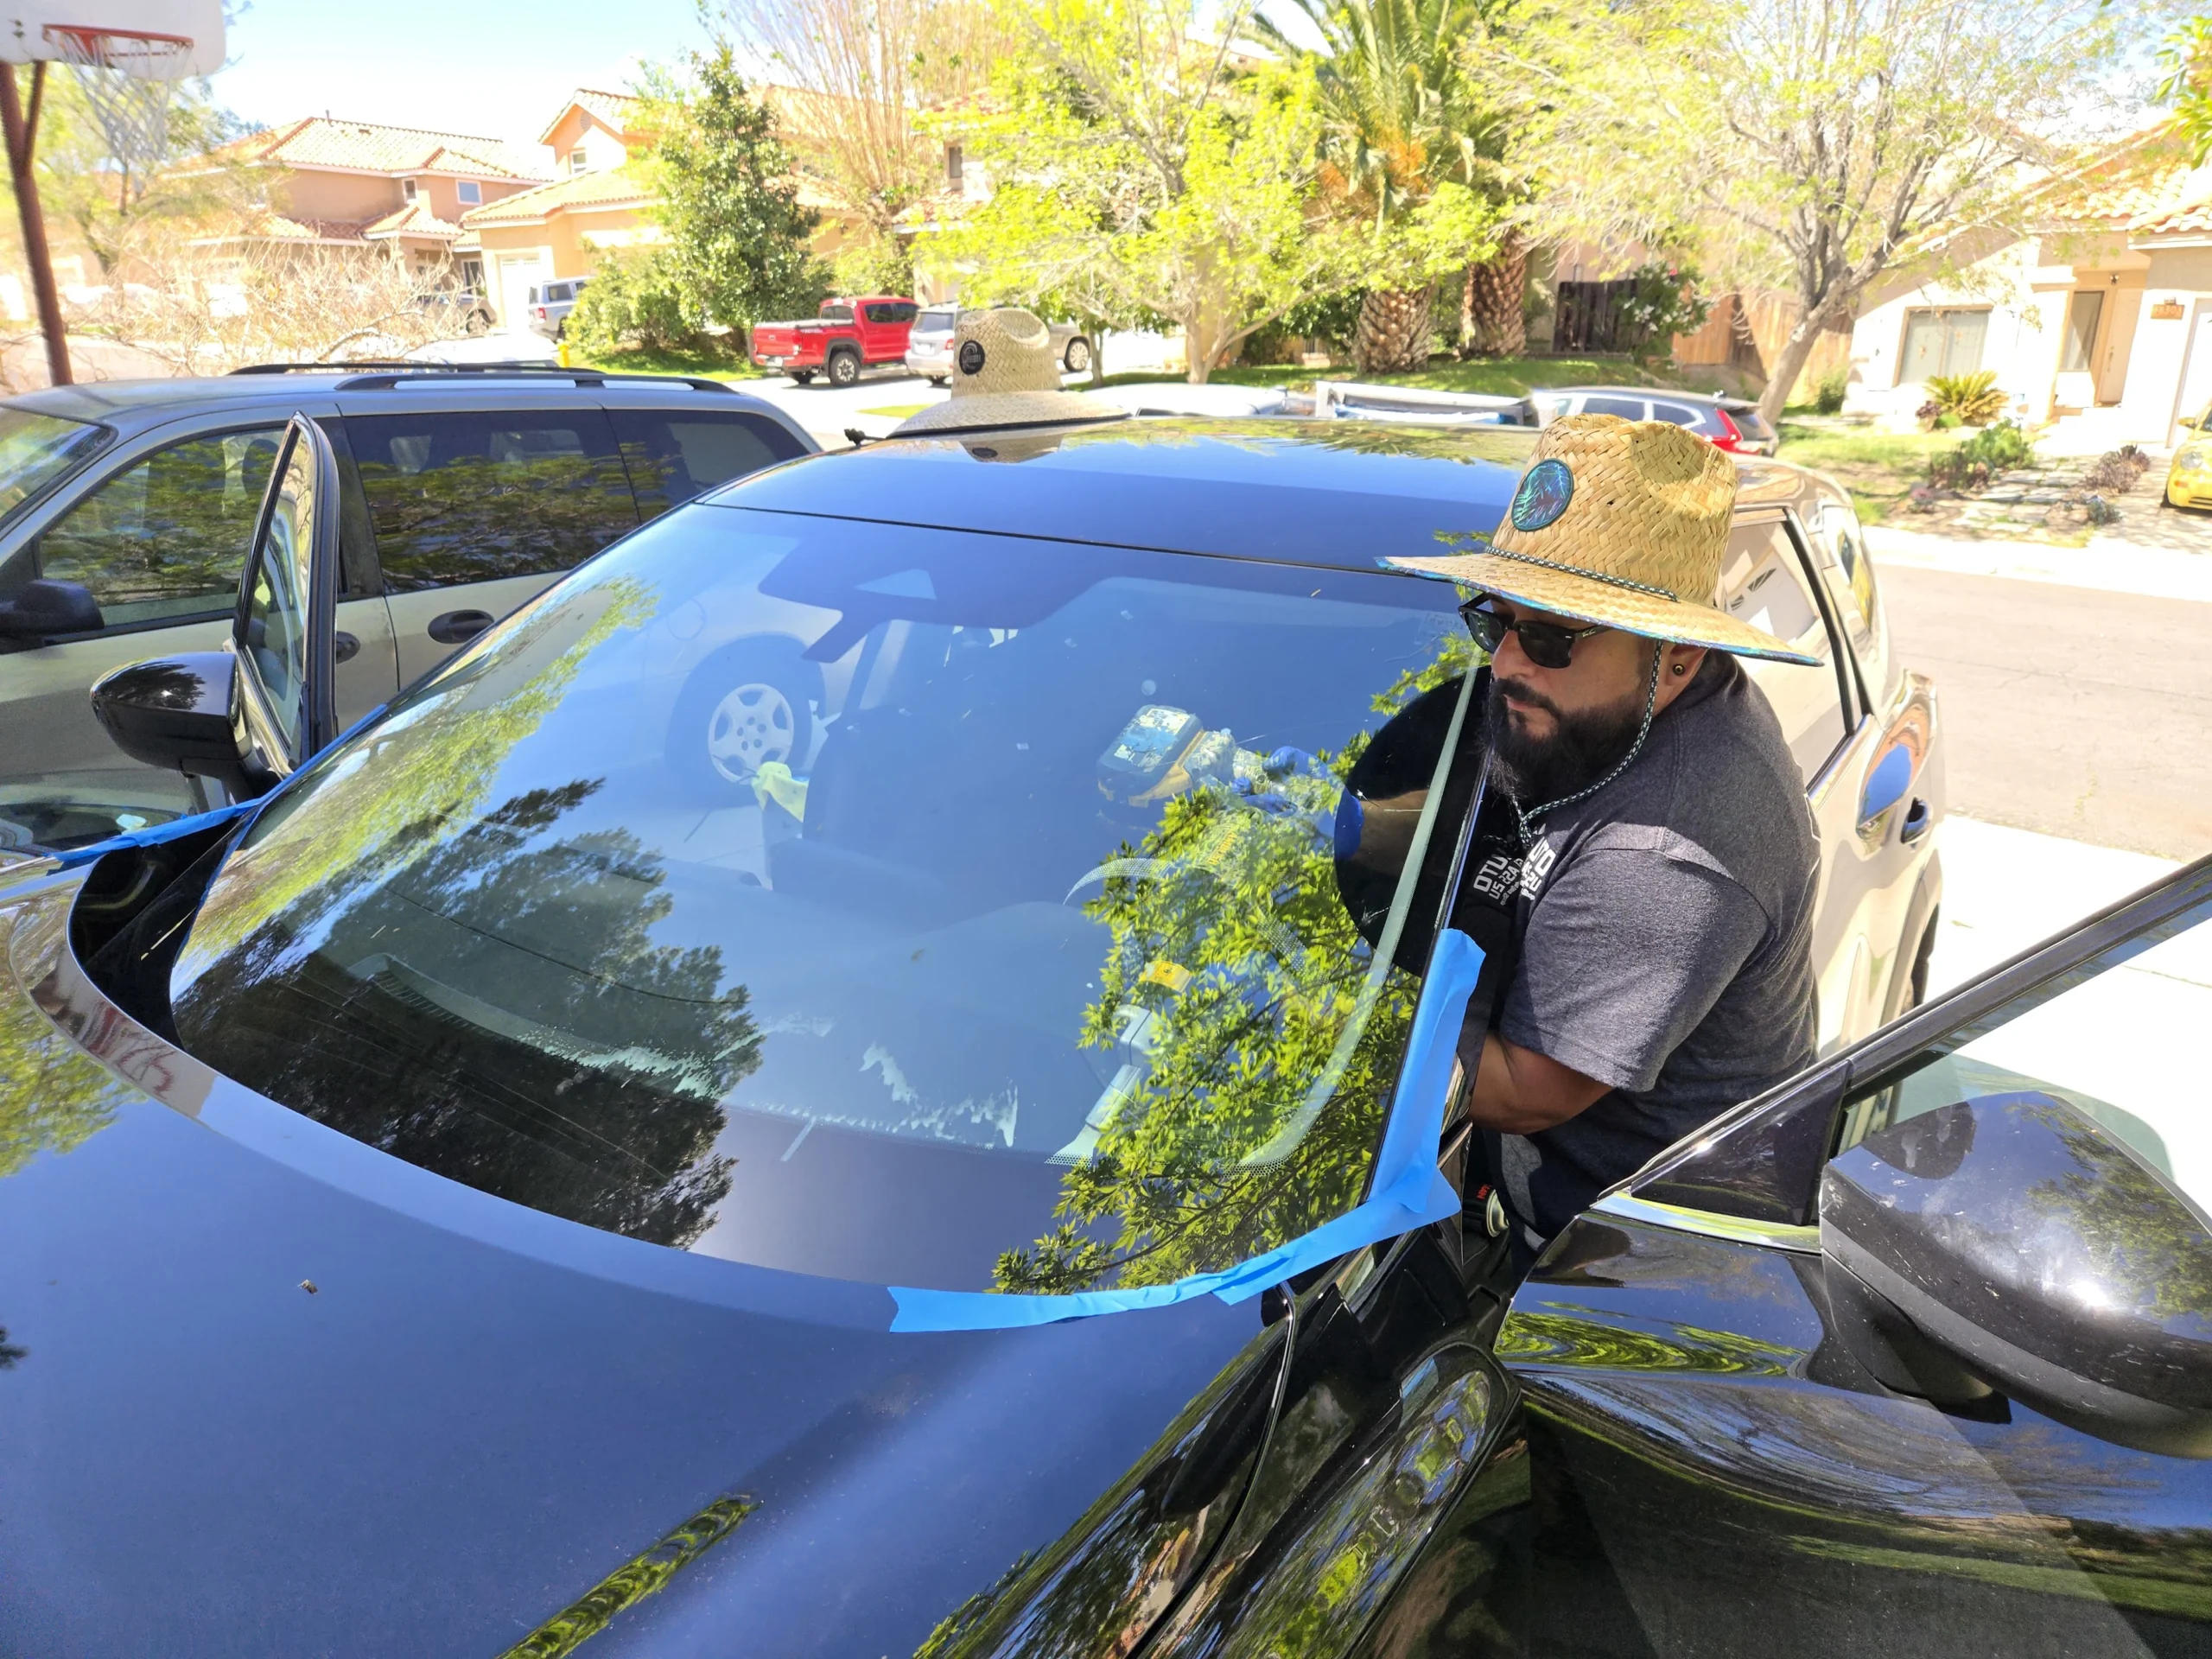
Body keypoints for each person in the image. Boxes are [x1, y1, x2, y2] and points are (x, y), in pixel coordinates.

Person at [1387, 413, 1823, 1267]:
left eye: (1552, 637)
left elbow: (1523, 1090)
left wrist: (1325, 1011)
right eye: (1495, 620)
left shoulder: (1665, 854)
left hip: (1626, 1264)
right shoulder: (1608, 711)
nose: (1508, 665)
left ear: (1682, 657)